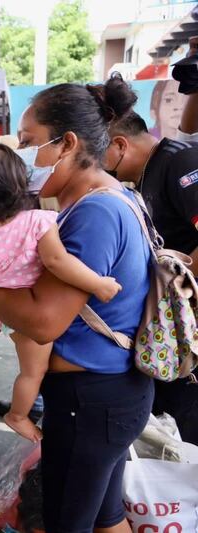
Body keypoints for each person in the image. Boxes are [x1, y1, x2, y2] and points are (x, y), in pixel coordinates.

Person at [0, 76, 152, 531]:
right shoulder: (105, 199)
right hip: (109, 395)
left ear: (67, 144)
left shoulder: (94, 212)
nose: (20, 156)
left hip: (91, 399)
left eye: (28, 142)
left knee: (64, 522)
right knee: (105, 517)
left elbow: (44, 323)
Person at [0, 143, 122, 442]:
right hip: (22, 316)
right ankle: (18, 415)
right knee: (33, 373)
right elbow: (58, 262)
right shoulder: (37, 222)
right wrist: (97, 283)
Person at [104, 110, 198, 444]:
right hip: (165, 329)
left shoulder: (180, 162)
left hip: (183, 324)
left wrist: (170, 297)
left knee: (187, 430)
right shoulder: (145, 177)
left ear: (119, 145)